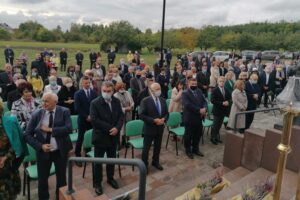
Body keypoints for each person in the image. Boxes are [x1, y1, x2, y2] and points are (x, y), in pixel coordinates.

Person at [24, 92, 73, 200]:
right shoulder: (37, 114)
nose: (44, 103)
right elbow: (27, 135)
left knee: (61, 178)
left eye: (47, 101)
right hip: (43, 153)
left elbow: (69, 129)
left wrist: (50, 130)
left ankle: (60, 197)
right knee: (42, 180)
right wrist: (40, 146)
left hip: (60, 151)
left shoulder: (64, 111)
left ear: (55, 102)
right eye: (43, 100)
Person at [90, 81, 124, 195]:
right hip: (101, 137)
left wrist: (117, 128)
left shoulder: (116, 101)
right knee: (98, 162)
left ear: (113, 91)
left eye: (108, 91)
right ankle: (97, 183)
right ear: (101, 90)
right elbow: (95, 120)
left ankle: (110, 178)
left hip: (113, 137)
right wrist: (111, 128)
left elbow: (121, 116)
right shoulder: (95, 103)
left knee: (111, 159)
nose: (106, 93)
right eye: (104, 91)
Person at [0, 100, 27, 200]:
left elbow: (17, 144)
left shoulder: (9, 122)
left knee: (9, 195)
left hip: (8, 165)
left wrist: (5, 157)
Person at [139, 83, 169, 171]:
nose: (159, 91)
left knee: (158, 147)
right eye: (156, 89)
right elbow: (141, 115)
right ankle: (144, 166)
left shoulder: (163, 100)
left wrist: (164, 119)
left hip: (160, 129)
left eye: (159, 88)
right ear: (151, 91)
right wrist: (153, 120)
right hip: (149, 129)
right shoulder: (145, 101)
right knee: (146, 149)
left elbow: (167, 113)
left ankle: (155, 161)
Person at [74, 76, 97, 166]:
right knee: (80, 137)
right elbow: (77, 108)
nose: (87, 84)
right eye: (85, 83)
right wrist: (86, 116)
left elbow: (95, 105)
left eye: (89, 83)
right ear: (82, 83)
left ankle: (87, 152)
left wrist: (92, 116)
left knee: (91, 136)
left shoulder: (93, 92)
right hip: (83, 119)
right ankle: (78, 155)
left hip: (92, 119)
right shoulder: (78, 94)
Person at [182, 78, 207, 159]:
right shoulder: (185, 93)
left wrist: (205, 109)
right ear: (188, 84)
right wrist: (199, 110)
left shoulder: (199, 91)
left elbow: (204, 101)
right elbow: (187, 105)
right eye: (192, 84)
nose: (194, 85)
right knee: (188, 136)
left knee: (198, 134)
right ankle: (188, 150)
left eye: (195, 84)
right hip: (190, 118)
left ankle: (196, 149)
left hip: (199, 118)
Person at [210, 76, 231, 145]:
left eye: (223, 81)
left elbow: (229, 98)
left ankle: (216, 137)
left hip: (223, 111)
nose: (222, 83)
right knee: (215, 125)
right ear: (218, 82)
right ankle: (212, 138)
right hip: (217, 110)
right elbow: (212, 100)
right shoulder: (215, 90)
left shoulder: (226, 89)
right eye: (220, 81)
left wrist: (228, 102)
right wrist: (222, 103)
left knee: (219, 125)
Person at [113, 82, 134, 147]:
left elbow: (132, 101)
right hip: (120, 114)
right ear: (117, 88)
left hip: (129, 113)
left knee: (127, 127)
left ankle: (126, 142)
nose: (122, 88)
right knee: (121, 128)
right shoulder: (115, 95)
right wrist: (125, 109)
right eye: (120, 87)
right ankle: (119, 143)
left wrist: (131, 106)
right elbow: (117, 107)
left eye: (123, 87)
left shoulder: (127, 93)